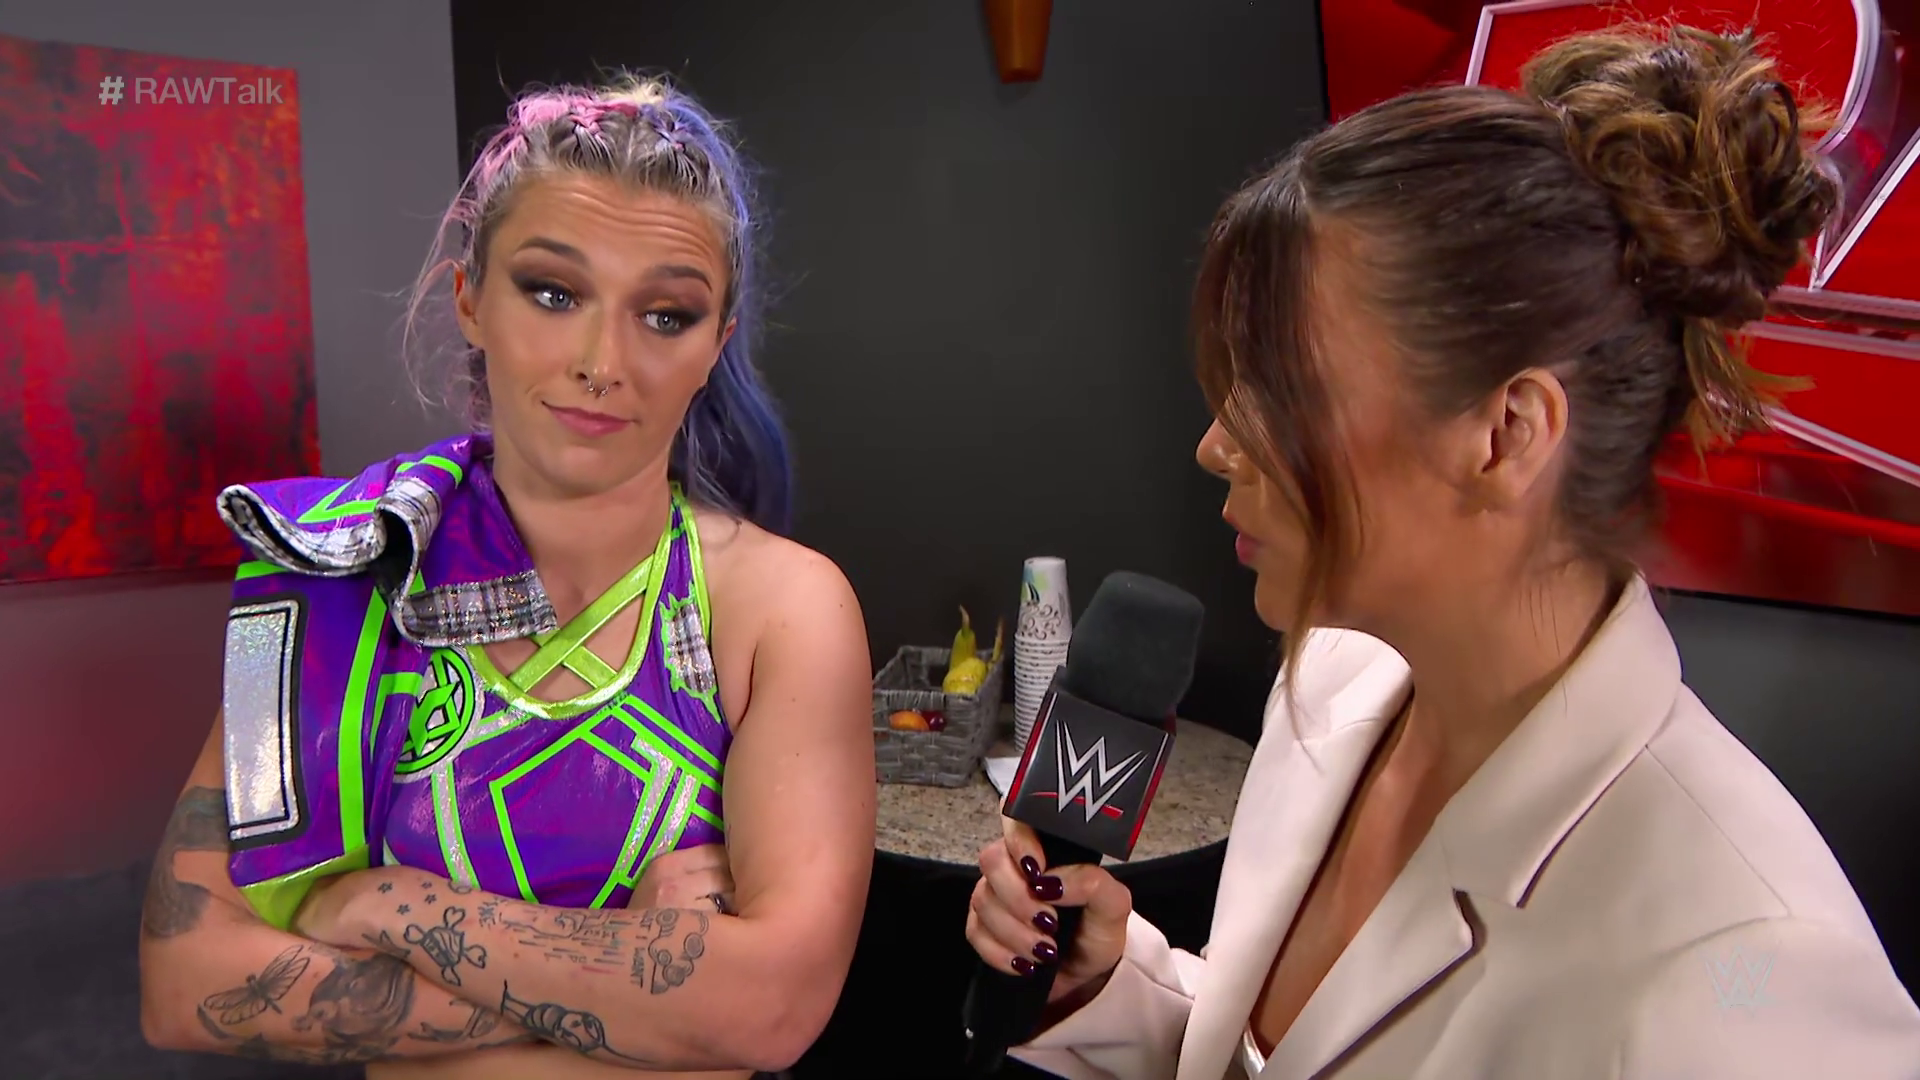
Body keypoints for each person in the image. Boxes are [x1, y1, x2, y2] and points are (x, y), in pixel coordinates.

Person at [966, 25, 1920, 1080]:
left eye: (1284, 388)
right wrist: (1110, 990)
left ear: (1507, 434)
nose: (1216, 443)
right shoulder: (1333, 679)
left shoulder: (1751, 978)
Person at [137, 75, 875, 1080]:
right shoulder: (335, 571)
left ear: (716, 346)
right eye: (554, 293)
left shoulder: (781, 610)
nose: (603, 361)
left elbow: (772, 1006)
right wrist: (639, 975)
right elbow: (187, 981)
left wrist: (394, 907)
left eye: (666, 315)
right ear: (470, 300)